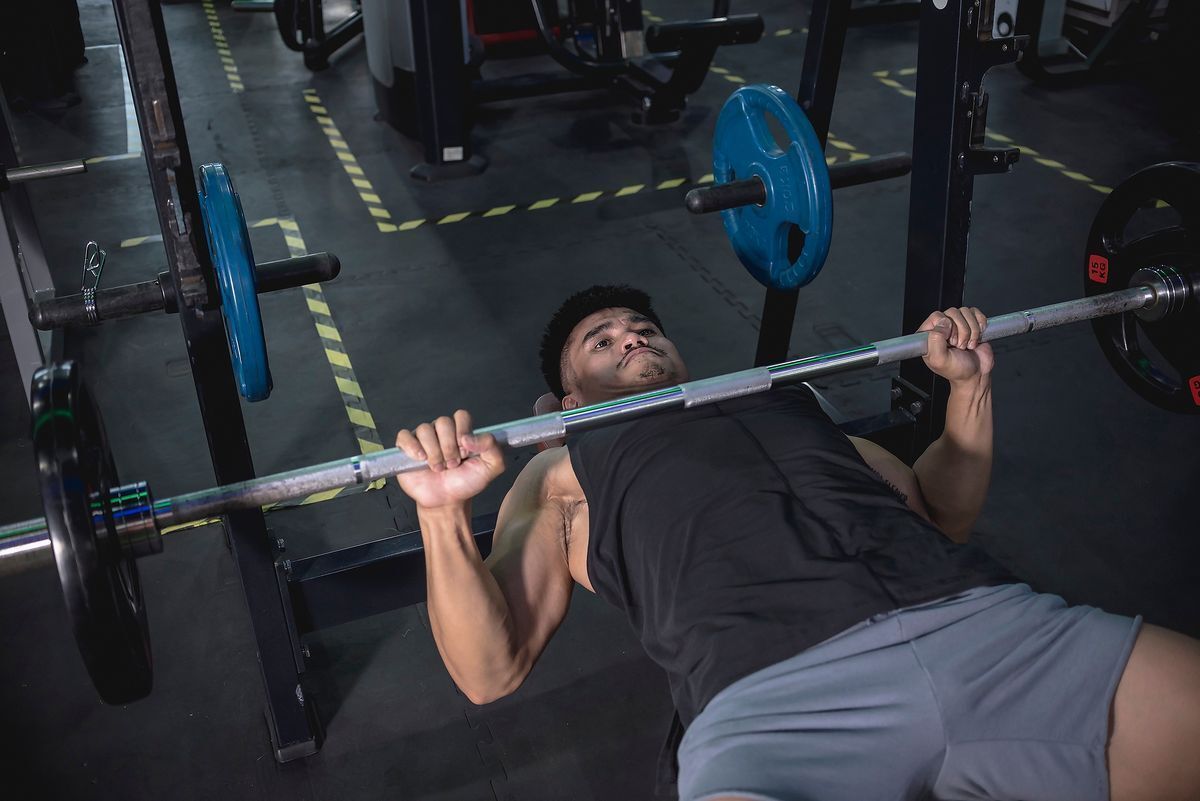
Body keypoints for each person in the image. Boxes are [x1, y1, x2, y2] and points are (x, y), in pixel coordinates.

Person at [393, 284, 1200, 801]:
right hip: (778, 698)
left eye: (642, 327)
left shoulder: (787, 402)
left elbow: (936, 511)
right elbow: (487, 670)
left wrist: (970, 387)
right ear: (568, 397)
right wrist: (439, 514)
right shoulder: (569, 465)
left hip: (981, 623)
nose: (633, 337)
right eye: (601, 342)